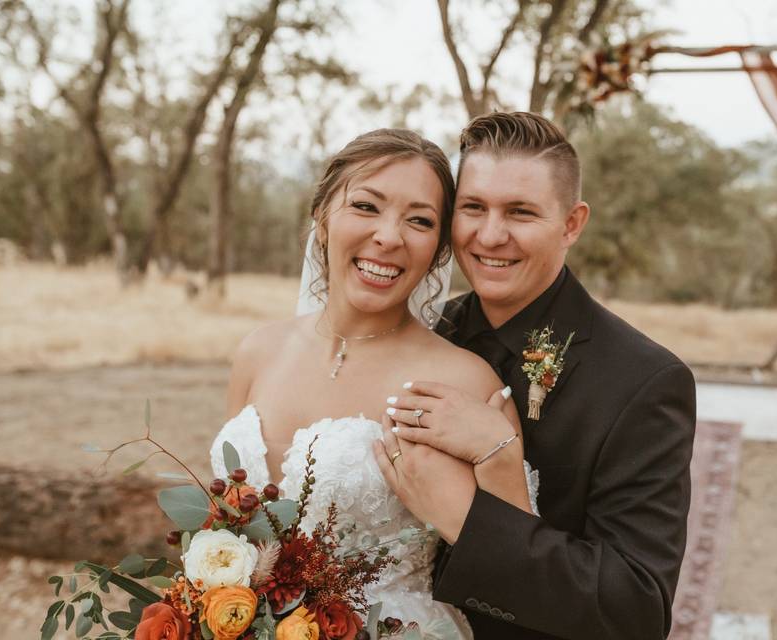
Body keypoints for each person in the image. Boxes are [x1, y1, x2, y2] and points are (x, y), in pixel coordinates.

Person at [376, 112, 697, 640]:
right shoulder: (425, 333)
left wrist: (467, 518)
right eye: (473, 208)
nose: (491, 234)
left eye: (520, 212)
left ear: (572, 224)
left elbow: (637, 610)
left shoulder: (645, 381)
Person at [209, 128, 537, 639]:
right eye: (366, 206)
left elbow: (517, 570)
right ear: (321, 218)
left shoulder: (464, 381)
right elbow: (222, 519)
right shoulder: (257, 351)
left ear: (438, 250)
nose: (389, 236)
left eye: (420, 221)